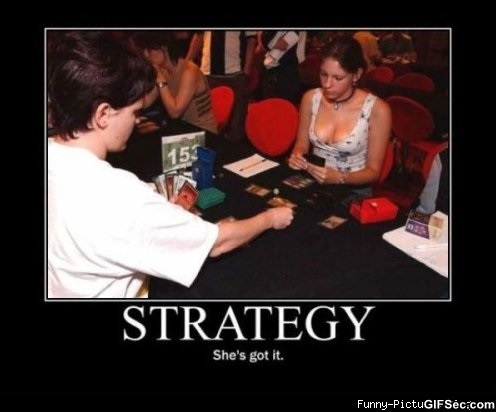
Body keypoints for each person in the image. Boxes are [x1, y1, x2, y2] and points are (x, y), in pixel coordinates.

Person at [48, 31, 294, 299]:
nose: (137, 121)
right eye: (134, 112)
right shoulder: (122, 197)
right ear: (103, 114)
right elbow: (218, 242)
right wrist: (270, 218)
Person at [288, 36, 391, 200]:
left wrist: (340, 177)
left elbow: (373, 172)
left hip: (353, 191)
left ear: (356, 75)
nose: (327, 84)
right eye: (323, 74)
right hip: (313, 181)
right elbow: (301, 144)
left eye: (338, 78)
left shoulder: (377, 110)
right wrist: (298, 155)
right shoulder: (311, 98)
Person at [131, 31, 218, 134]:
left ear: (164, 47)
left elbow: (175, 112)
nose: (146, 55)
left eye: (149, 50)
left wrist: (160, 80)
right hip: (182, 131)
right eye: (144, 51)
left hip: (202, 132)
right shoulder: (163, 71)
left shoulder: (189, 71)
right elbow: (146, 102)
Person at [187, 31, 257, 142]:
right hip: (207, 74)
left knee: (236, 124)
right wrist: (187, 62)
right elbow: (199, 35)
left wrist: (247, 70)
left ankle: (234, 150)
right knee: (206, 121)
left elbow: (251, 40)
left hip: (235, 74)